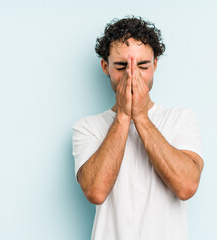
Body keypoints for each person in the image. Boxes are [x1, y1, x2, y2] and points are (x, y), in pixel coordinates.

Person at [72, 16, 204, 240]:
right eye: (121, 66)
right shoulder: (87, 127)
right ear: (105, 66)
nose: (132, 75)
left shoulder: (181, 118)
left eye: (142, 65)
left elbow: (187, 187)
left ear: (155, 65)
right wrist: (124, 115)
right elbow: (95, 192)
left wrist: (141, 116)